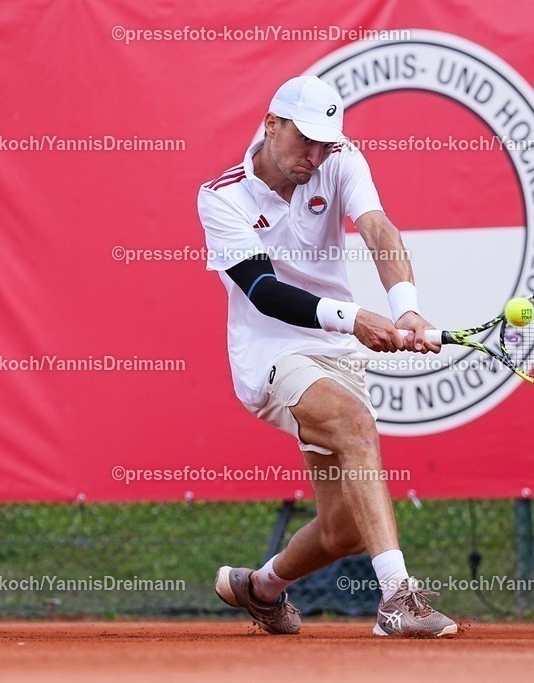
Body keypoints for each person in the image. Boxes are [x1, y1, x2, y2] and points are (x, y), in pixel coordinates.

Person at [197, 75, 457, 637]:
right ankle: (397, 600)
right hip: (273, 353)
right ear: (271, 125)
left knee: (344, 530)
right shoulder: (221, 197)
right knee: (357, 424)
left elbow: (377, 230)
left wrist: (406, 308)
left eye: (324, 143)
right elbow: (263, 291)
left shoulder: (339, 159)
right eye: (303, 141)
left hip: (336, 354)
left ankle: (259, 588)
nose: (314, 156)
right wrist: (354, 317)